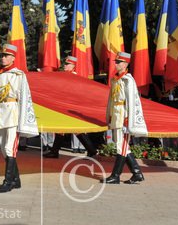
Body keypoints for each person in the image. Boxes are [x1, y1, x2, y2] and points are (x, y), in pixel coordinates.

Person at [0, 44, 38, 193]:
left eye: (6, 55)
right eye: (1, 55)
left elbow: (25, 97)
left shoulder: (18, 75)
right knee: (3, 149)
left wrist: (23, 118)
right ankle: (16, 179)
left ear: (13, 58)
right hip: (0, 113)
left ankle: (7, 182)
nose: (3, 58)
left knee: (9, 148)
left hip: (13, 113)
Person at [101, 52, 148, 184]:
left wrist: (128, 118)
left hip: (124, 115)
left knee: (120, 145)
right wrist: (109, 115)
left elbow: (132, 101)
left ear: (126, 64)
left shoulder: (128, 80)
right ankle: (137, 173)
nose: (116, 64)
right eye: (116, 62)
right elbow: (111, 99)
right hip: (116, 114)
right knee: (121, 145)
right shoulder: (115, 79)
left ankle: (116, 175)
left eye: (119, 62)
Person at [43, 56, 97, 159]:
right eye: (65, 64)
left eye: (67, 64)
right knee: (61, 129)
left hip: (72, 107)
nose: (65, 66)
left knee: (76, 130)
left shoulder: (75, 77)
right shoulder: (64, 76)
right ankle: (55, 151)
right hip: (64, 106)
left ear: (73, 66)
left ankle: (92, 151)